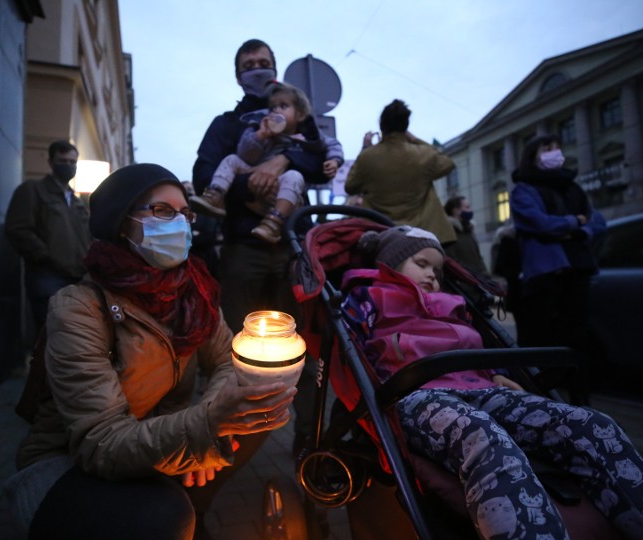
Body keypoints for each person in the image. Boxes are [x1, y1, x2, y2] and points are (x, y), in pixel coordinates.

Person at [341, 225, 643, 540]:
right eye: (422, 264)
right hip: (417, 394)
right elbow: (350, 349)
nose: (433, 275)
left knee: (589, 424)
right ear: (387, 264)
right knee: (483, 437)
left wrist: (502, 373)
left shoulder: (454, 303)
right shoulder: (369, 295)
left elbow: (482, 346)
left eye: (437, 268)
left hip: (481, 386)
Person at [4, 163, 297, 540]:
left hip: (152, 442)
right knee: (161, 527)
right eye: (162, 211)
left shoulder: (192, 292)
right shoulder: (79, 307)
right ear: (122, 224)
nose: (179, 223)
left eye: (184, 213)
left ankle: (197, 531)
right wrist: (205, 428)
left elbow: (227, 361)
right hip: (68, 462)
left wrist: (209, 425)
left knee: (258, 417)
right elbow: (100, 442)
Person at [192, 39, 328, 458]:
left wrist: (282, 163)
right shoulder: (226, 123)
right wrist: (250, 183)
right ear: (238, 74)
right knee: (237, 345)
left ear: (275, 68)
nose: (257, 68)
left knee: (301, 344)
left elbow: (320, 160)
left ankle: (308, 442)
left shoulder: (296, 118)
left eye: (264, 63)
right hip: (243, 247)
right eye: (248, 64)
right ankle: (233, 437)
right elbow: (202, 175)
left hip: (290, 247)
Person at [509, 134, 606, 406]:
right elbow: (540, 224)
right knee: (544, 338)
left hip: (578, 267)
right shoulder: (524, 189)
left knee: (578, 337)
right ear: (533, 155)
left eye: (557, 147)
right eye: (547, 148)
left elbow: (598, 222)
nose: (555, 152)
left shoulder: (572, 187)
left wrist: (579, 230)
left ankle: (580, 399)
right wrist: (574, 221)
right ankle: (543, 400)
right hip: (546, 274)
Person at [190, 81, 343, 243]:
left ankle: (273, 224)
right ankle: (215, 196)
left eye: (283, 106)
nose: (276, 111)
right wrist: (259, 136)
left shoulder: (306, 139)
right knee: (231, 160)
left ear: (300, 115)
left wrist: (334, 160)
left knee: (294, 176)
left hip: (284, 199)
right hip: (253, 195)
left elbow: (332, 144)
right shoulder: (259, 130)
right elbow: (244, 155)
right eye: (272, 108)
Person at [5, 140, 92, 331]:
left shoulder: (77, 202)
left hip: (77, 280)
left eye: (72, 162)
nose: (68, 166)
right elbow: (18, 228)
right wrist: (45, 256)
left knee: (70, 338)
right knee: (48, 336)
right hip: (46, 278)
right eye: (63, 161)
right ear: (51, 162)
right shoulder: (33, 190)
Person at [344, 99, 456, 245]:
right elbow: (448, 163)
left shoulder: (368, 157)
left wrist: (365, 149)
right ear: (406, 126)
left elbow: (350, 186)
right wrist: (415, 140)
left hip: (382, 234)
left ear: (382, 126)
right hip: (423, 234)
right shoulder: (423, 154)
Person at [444, 195, 489, 275]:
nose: (470, 210)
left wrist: (485, 275)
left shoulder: (469, 231)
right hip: (464, 282)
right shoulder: (448, 232)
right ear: (456, 210)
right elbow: (452, 262)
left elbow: (478, 258)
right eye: (467, 207)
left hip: (477, 281)